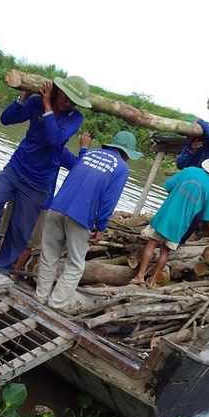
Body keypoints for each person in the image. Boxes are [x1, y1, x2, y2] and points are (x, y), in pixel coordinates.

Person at [0, 75, 92, 276]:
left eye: (73, 101)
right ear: (58, 91)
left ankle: (2, 268)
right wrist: (25, 95)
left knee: (20, 230)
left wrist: (47, 106)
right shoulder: (36, 102)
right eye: (65, 97)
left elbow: (55, 139)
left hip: (39, 183)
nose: (67, 103)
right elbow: (6, 119)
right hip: (17, 167)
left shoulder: (75, 118)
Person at [35, 131, 142, 310]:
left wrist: (83, 149)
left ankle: (40, 297)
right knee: (75, 264)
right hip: (81, 215)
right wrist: (100, 227)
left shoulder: (90, 153)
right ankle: (55, 305)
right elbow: (109, 201)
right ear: (127, 154)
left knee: (48, 256)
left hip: (57, 207)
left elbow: (78, 170)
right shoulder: (122, 169)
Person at [130, 155, 209, 288]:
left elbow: (168, 185)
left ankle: (140, 276)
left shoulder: (190, 170)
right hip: (181, 223)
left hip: (166, 214)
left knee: (151, 244)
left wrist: (176, 197)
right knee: (165, 251)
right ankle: (152, 281)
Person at [176, 118, 209, 243]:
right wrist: (191, 150)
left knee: (196, 214)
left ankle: (181, 241)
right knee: (179, 207)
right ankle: (171, 235)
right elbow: (180, 164)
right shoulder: (191, 145)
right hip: (191, 182)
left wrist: (199, 121)